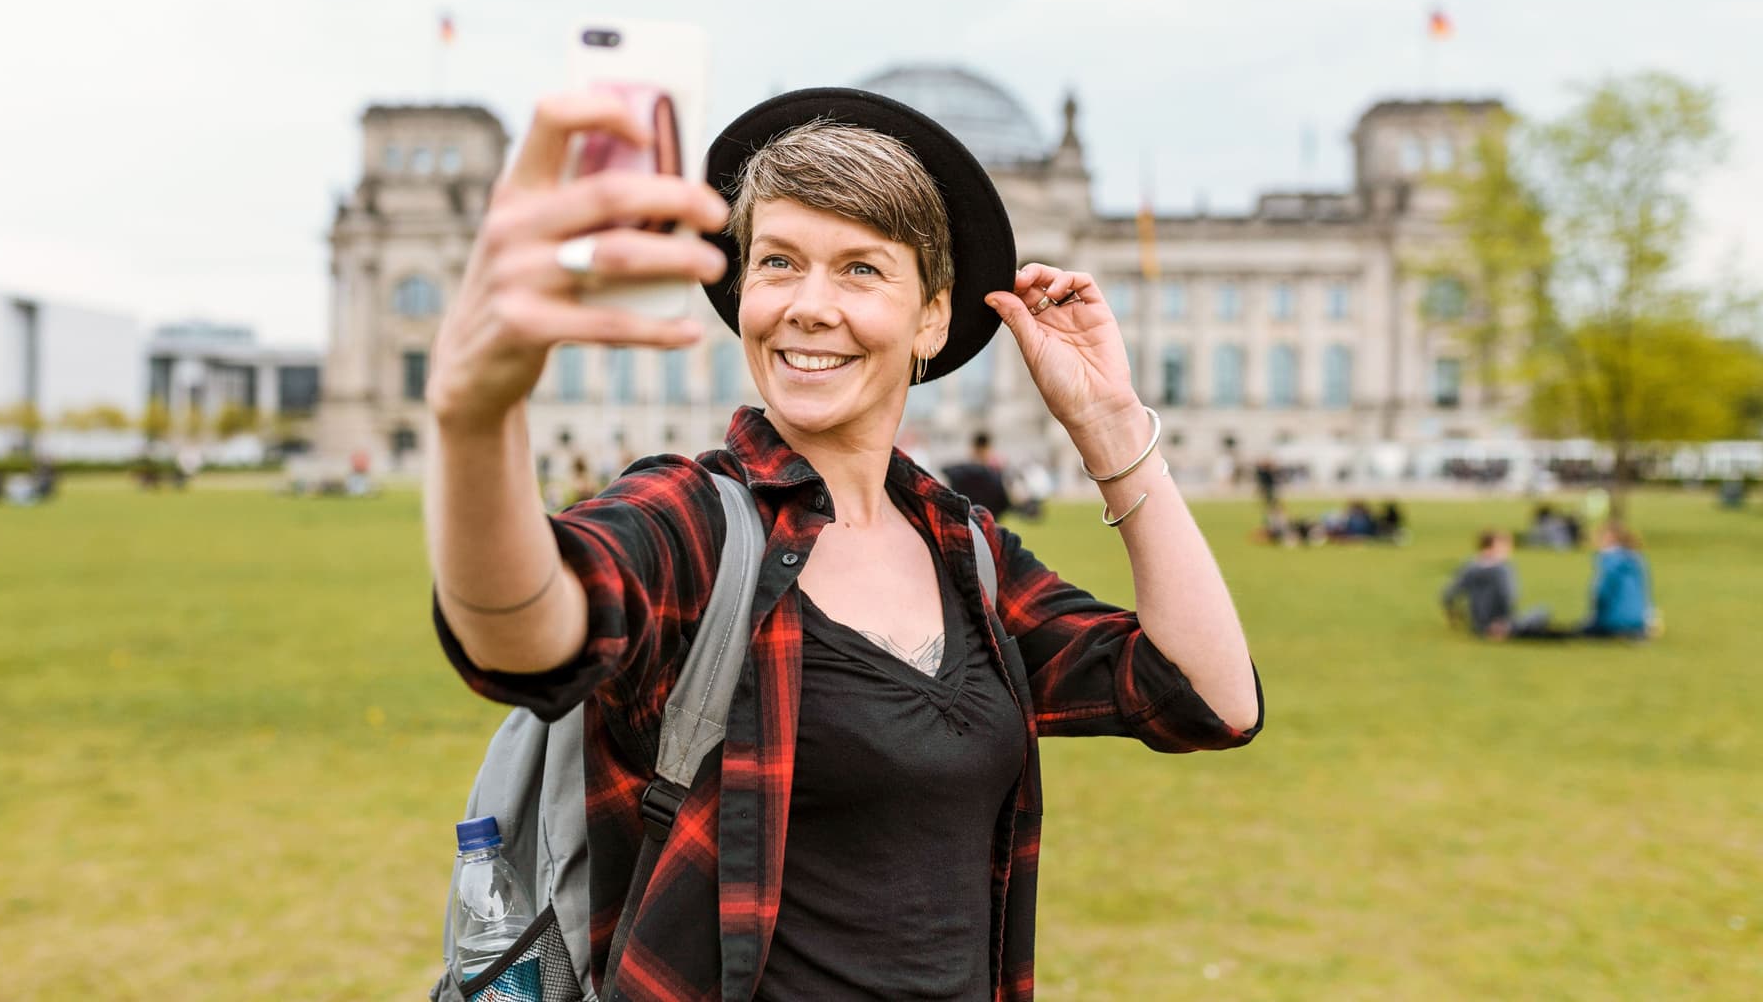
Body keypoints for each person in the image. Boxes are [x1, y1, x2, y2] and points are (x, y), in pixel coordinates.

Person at [423, 88, 1263, 1001]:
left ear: (931, 319)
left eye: (861, 270)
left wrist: (1109, 428)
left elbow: (1207, 701)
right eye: (779, 262)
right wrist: (475, 419)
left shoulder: (966, 553)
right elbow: (523, 637)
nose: (810, 307)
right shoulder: (695, 522)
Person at [1441, 531, 1525, 638]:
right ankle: (1501, 629)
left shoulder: (1470, 565)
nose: (1508, 550)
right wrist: (1504, 622)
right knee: (1540, 614)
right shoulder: (1503, 569)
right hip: (1500, 623)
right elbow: (1508, 596)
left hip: (1477, 624)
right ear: (1494, 546)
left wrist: (1453, 615)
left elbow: (1448, 594)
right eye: (1505, 546)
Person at [942, 430, 1013, 519]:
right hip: (988, 521)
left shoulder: (956, 472)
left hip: (966, 522)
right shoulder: (996, 474)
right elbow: (1005, 502)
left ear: (973, 448)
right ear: (987, 448)